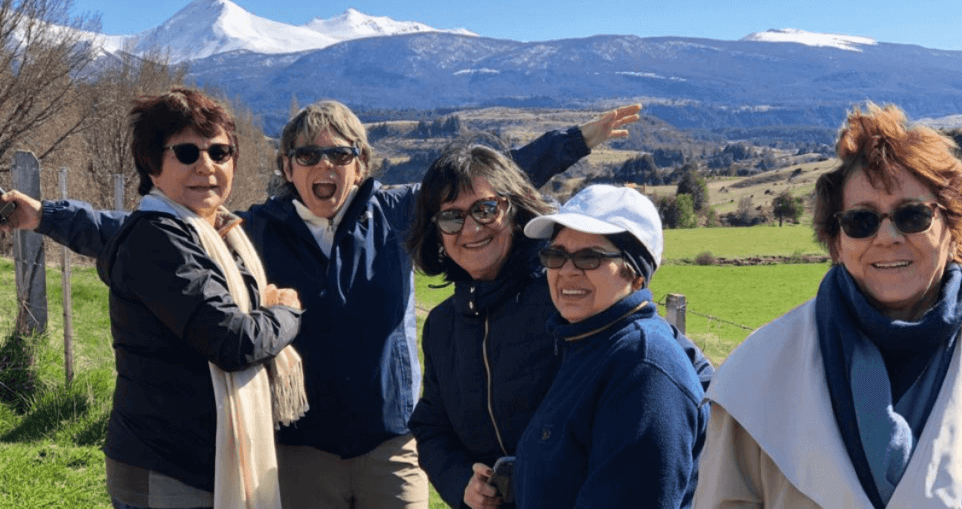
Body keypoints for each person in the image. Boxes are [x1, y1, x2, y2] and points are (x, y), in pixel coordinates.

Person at [2, 100, 643, 509]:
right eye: (308, 154)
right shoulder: (250, 229)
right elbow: (130, 233)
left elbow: (491, 178)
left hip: (390, 444)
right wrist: (45, 215)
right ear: (288, 166)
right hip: (301, 448)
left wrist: (576, 139)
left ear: (360, 164)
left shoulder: (397, 212)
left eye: (340, 153)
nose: (324, 164)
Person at [693, 103, 962, 508]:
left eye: (912, 216)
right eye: (861, 221)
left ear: (954, 228)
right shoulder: (756, 372)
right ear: (836, 241)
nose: (887, 237)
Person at [8, 88, 306, 509]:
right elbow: (231, 341)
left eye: (220, 152)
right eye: (187, 153)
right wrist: (285, 312)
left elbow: (107, 226)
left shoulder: (205, 229)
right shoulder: (158, 237)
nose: (206, 165)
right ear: (152, 163)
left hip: (197, 461)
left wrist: (44, 215)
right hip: (169, 470)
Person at [406, 149, 713, 509]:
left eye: (485, 210)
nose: (471, 228)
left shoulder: (574, 307)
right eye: (451, 217)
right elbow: (431, 425)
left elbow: (679, 376)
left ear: (514, 210)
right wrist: (463, 484)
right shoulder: (447, 325)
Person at [507, 184, 707, 509]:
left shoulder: (643, 369)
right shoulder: (587, 343)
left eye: (590, 257)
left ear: (636, 274)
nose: (567, 270)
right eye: (555, 254)